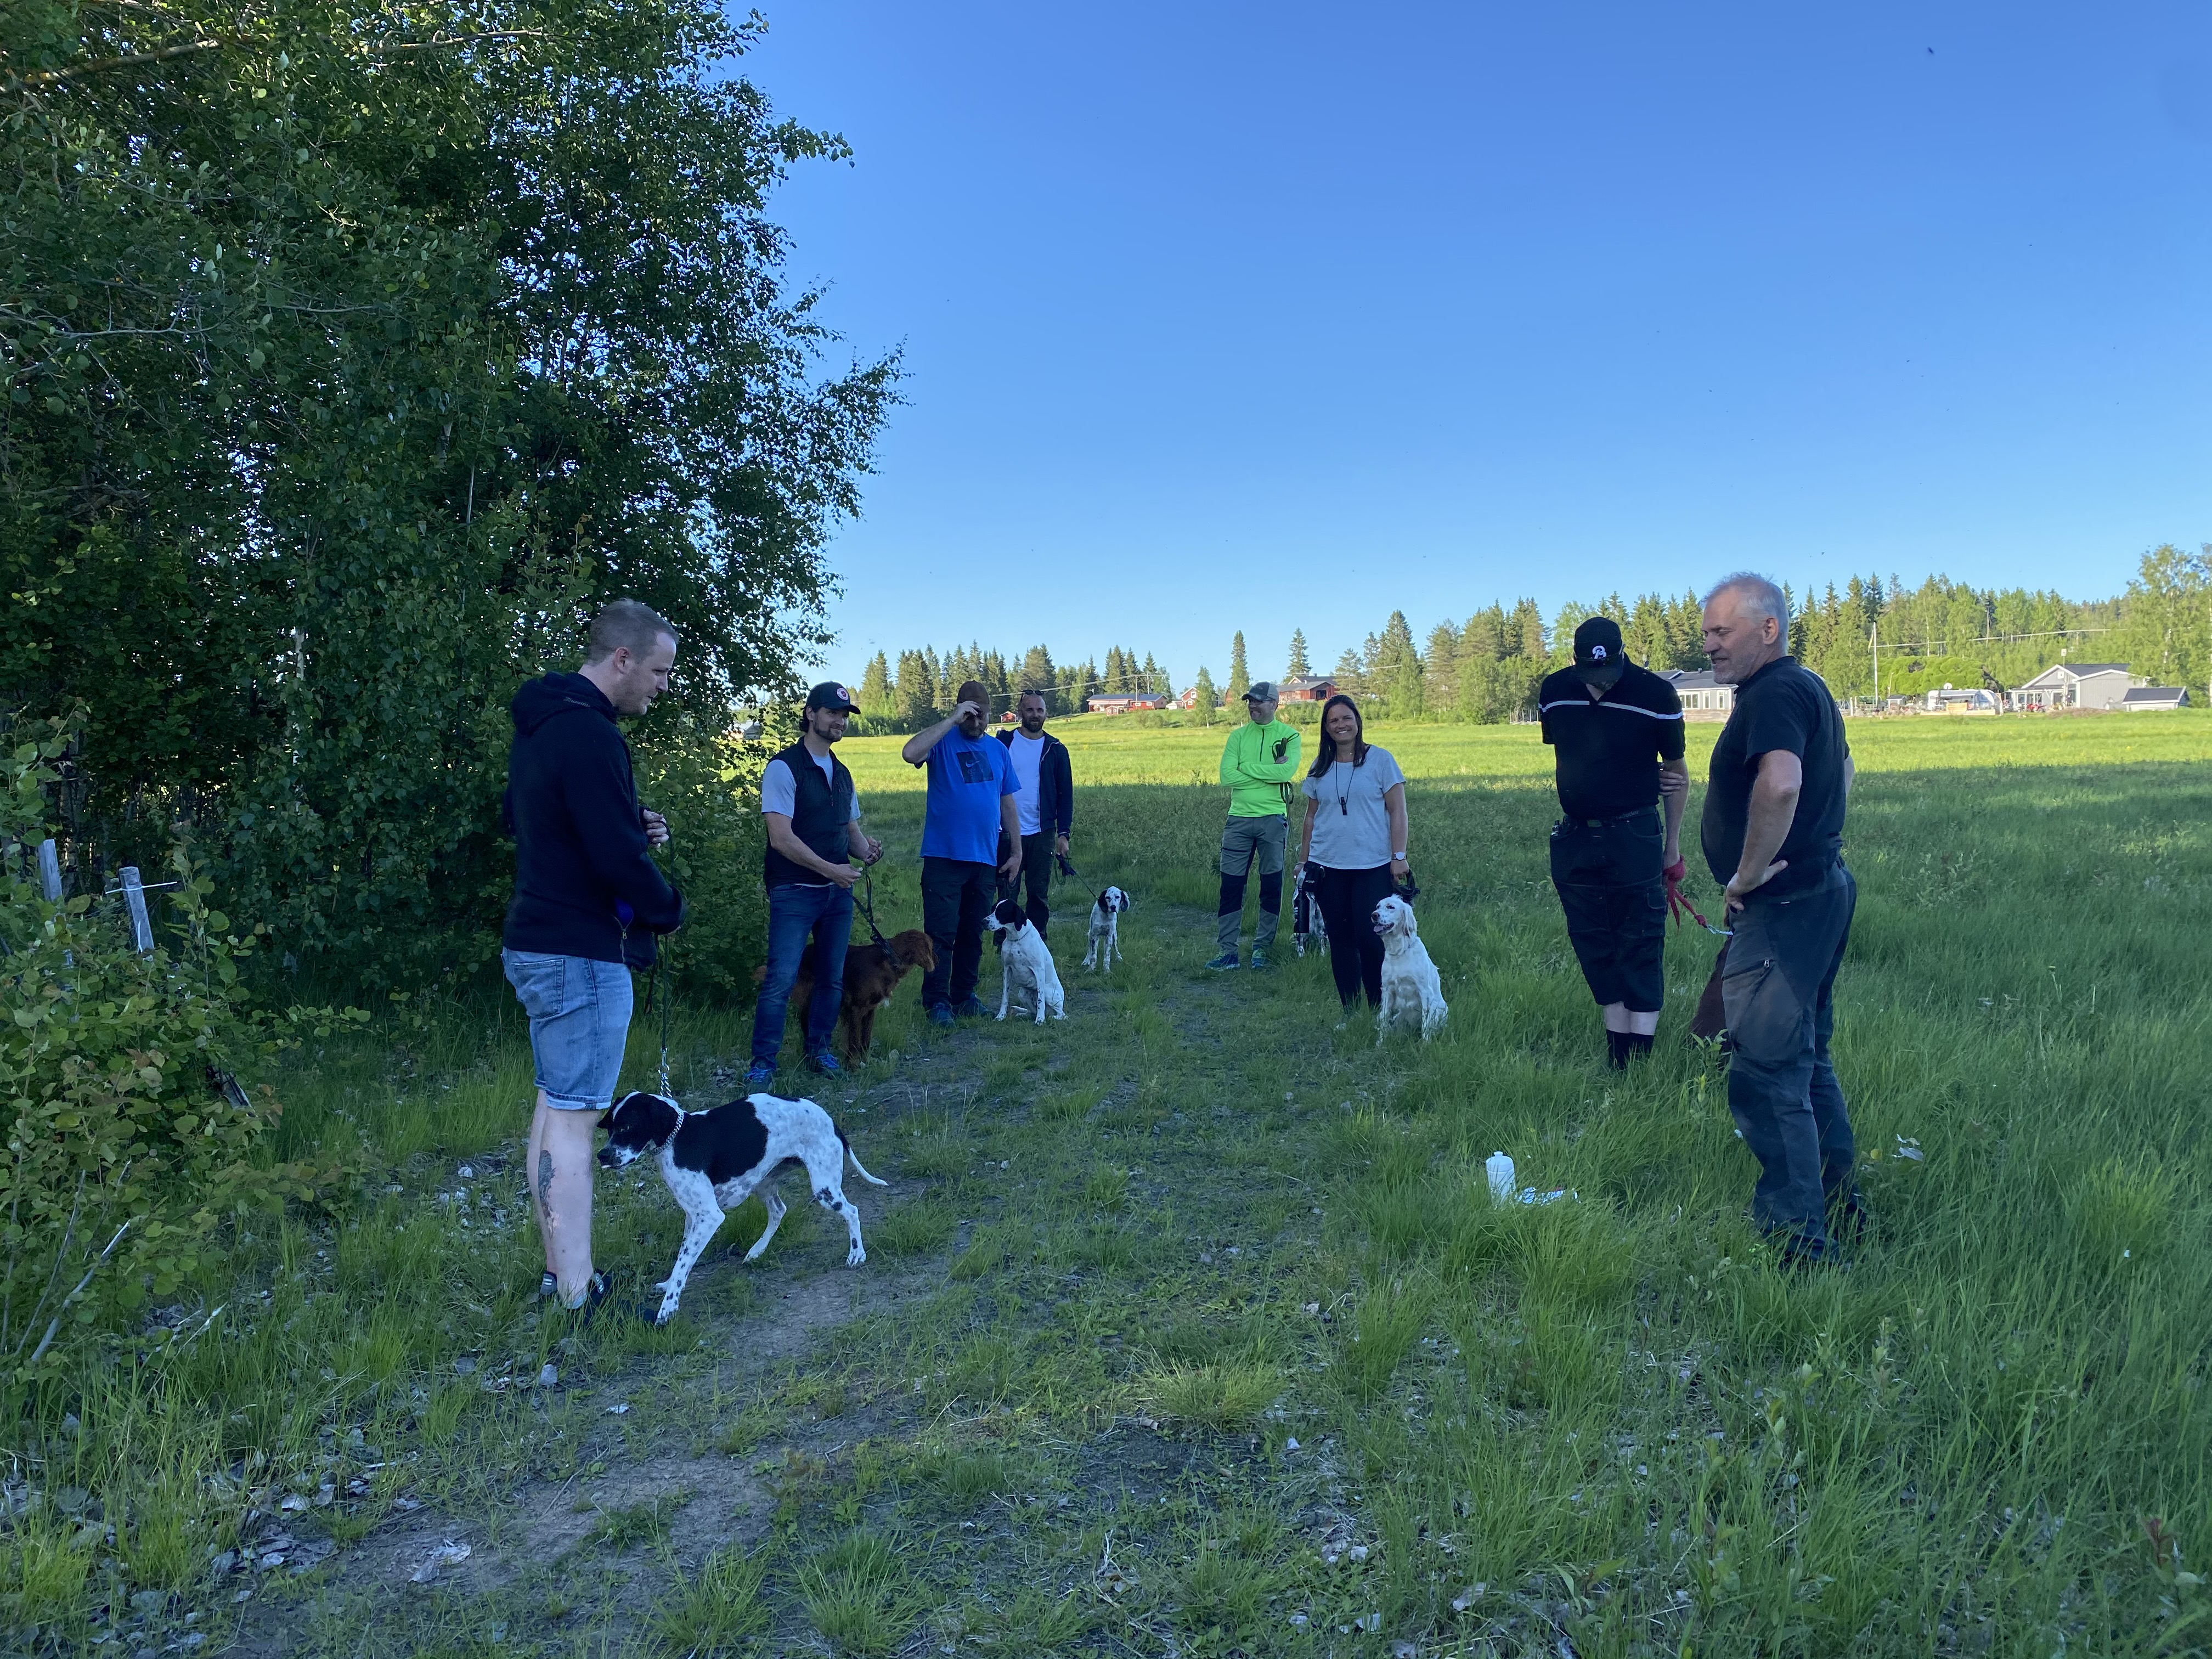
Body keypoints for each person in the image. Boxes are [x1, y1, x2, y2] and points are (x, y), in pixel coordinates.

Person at [501, 599, 686, 1312]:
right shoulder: (591, 735)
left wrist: (626, 822)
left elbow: (524, 816)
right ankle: (577, 1291)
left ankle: (558, 1273)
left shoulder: (542, 726)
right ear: (622, 660)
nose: (662, 687)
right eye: (660, 671)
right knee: (577, 1124)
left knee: (554, 1112)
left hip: (536, 942)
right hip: (579, 951)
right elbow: (612, 859)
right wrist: (665, 907)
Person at [1700, 572, 1861, 1265]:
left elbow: (1784, 781)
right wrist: (1818, 841)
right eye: (1706, 632)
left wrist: (1749, 871)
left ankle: (1798, 1240)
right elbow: (1846, 771)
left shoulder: (1771, 693)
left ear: (1768, 629)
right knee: (1808, 1060)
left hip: (1786, 906)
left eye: (1721, 631)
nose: (1709, 644)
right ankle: (1838, 1206)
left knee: (1769, 1071)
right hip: (1820, 890)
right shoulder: (1810, 687)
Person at [1538, 616, 1689, 1068]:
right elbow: (1575, 754)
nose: (1600, 684)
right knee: (1593, 939)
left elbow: (1677, 776)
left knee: (1640, 939)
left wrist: (1672, 848)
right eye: (1591, 675)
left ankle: (1637, 1063)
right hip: (1575, 837)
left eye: (1608, 675)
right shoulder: (1554, 691)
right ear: (1574, 661)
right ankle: (1616, 1052)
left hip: (1635, 834)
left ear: (1623, 655)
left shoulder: (1657, 695)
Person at [747, 682, 884, 1084]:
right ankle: (763, 1064)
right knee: (782, 977)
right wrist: (832, 870)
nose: (839, 721)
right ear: (810, 714)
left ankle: (819, 1051)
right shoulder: (784, 767)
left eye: (844, 715)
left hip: (836, 894)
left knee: (832, 977)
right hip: (794, 892)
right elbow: (781, 838)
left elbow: (851, 833)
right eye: (832, 713)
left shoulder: (841, 773)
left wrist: (867, 851)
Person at [901, 679, 1022, 1024]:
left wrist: (1016, 851)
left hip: (985, 859)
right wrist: (951, 721)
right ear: (959, 711)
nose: (976, 721)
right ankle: (937, 1001)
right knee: (941, 934)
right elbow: (910, 753)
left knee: (974, 931)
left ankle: (964, 996)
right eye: (969, 715)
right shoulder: (942, 742)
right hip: (945, 857)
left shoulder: (999, 751)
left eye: (981, 715)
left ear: (989, 714)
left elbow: (1007, 802)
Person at [1295, 694, 1409, 1014]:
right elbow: (1310, 818)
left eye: (1346, 718)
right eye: (1333, 721)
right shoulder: (1320, 766)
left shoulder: (1381, 760)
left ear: (1358, 721)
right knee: (1341, 941)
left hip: (1372, 865)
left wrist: (1398, 855)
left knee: (1371, 939)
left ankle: (1378, 1009)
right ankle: (1351, 1011)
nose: (1341, 725)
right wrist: (1304, 862)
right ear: (1326, 728)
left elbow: (1398, 811)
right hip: (1328, 866)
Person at [1207, 682, 1304, 970]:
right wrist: (1269, 774)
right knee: (1231, 886)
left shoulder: (1289, 736)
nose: (1253, 706)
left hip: (1273, 820)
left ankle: (1262, 948)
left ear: (1275, 704)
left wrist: (1246, 768)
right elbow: (1227, 777)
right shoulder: (1237, 737)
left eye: (1260, 702)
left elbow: (1287, 772)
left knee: (1271, 885)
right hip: (1238, 819)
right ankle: (1228, 952)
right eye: (1250, 701)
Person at [994, 689, 1073, 936]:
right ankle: (1005, 942)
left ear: (1046, 714)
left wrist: (1064, 834)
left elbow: (1065, 795)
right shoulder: (1003, 744)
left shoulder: (1056, 750)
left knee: (1039, 894)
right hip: (1007, 833)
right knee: (1007, 892)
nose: (1035, 715)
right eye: (1030, 710)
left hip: (1042, 833)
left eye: (1040, 710)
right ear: (1020, 713)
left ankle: (1037, 942)